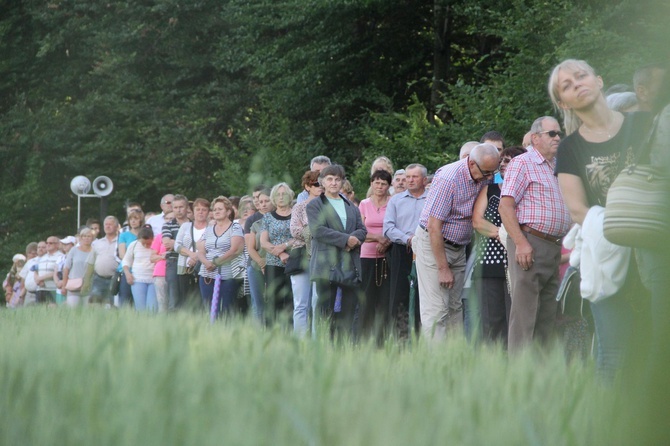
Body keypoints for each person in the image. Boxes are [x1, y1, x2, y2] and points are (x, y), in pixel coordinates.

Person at [550, 59, 651, 378]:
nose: (577, 83)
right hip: (608, 255)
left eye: (581, 76)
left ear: (599, 79)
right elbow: (578, 209)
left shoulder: (646, 124)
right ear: (562, 102)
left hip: (655, 249)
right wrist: (622, 227)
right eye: (567, 85)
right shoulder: (570, 149)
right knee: (614, 356)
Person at [413, 143, 500, 342]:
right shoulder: (448, 179)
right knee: (437, 309)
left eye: (492, 173)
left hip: (458, 246)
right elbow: (434, 226)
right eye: (486, 173)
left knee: (455, 307)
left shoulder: (483, 176)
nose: (489, 178)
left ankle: (454, 360)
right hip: (433, 243)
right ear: (471, 163)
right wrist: (443, 268)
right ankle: (436, 365)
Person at [499, 117, 572, 352]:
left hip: (553, 247)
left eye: (559, 133)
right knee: (525, 314)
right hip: (530, 243)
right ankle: (520, 377)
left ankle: (540, 375)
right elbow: (505, 206)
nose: (558, 138)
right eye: (552, 134)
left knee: (547, 314)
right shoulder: (522, 163)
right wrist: (520, 243)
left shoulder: (557, 165)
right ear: (535, 137)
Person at [471, 146, 526, 345]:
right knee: (491, 322)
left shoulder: (528, 192)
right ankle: (493, 367)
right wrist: (502, 234)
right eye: (501, 161)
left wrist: (511, 237)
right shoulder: (490, 190)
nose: (502, 164)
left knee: (516, 319)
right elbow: (477, 222)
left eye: (508, 160)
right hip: (490, 263)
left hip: (518, 262)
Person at [307, 164, 367, 340]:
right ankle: (324, 347)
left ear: (342, 182)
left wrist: (353, 239)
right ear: (322, 182)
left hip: (349, 264)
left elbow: (362, 230)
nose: (334, 183)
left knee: (349, 309)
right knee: (325, 309)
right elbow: (318, 230)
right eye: (329, 179)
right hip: (326, 265)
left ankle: (344, 346)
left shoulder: (351, 206)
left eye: (337, 179)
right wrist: (346, 240)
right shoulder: (315, 206)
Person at [383, 163, 428, 337]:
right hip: (402, 250)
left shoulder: (431, 198)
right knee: (399, 293)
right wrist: (407, 239)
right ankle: (400, 337)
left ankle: (421, 335)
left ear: (424, 179)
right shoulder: (396, 200)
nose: (409, 180)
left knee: (423, 293)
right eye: (407, 177)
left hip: (426, 249)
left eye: (414, 177)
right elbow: (388, 228)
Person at [358, 169, 393, 341]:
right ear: (371, 183)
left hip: (388, 255)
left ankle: (383, 338)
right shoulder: (364, 204)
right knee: (367, 297)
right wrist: (377, 238)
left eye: (384, 183)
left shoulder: (393, 202)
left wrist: (386, 242)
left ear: (389, 186)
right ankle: (364, 338)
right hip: (367, 256)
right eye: (377, 182)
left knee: (385, 298)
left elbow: (397, 226)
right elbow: (359, 231)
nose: (380, 186)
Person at [197, 197, 245, 318]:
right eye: (215, 209)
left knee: (226, 309)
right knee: (209, 309)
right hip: (206, 274)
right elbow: (200, 249)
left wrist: (216, 263)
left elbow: (234, 250)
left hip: (227, 275)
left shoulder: (235, 227)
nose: (216, 211)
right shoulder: (209, 229)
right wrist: (206, 263)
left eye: (220, 209)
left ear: (228, 211)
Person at [289, 170, 322, 336]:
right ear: (308, 186)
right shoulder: (300, 207)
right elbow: (294, 230)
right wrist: (316, 232)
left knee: (318, 301)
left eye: (322, 183)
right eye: (317, 184)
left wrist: (309, 230)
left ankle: (317, 341)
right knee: (301, 302)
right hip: (301, 256)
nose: (320, 187)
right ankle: (300, 341)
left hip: (322, 256)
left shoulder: (329, 206)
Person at [260, 183, 296, 325]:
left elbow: (302, 236)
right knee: (273, 302)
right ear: (273, 198)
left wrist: (284, 246)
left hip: (294, 263)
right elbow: (263, 241)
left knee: (291, 301)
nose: (281, 197)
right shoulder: (268, 217)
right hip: (273, 264)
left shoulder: (297, 214)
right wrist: (280, 254)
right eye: (278, 195)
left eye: (284, 194)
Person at [175, 198, 210, 311]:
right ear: (193, 211)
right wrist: (191, 254)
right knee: (185, 302)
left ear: (208, 212)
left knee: (202, 302)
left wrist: (198, 258)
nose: (200, 212)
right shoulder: (185, 226)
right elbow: (177, 245)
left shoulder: (211, 228)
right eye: (198, 209)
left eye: (204, 209)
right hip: (184, 269)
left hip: (204, 270)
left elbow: (212, 248)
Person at [245, 188, 273, 324]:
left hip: (276, 265)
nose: (263, 204)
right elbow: (250, 248)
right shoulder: (255, 223)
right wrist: (262, 263)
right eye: (260, 201)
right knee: (259, 304)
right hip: (256, 266)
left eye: (267, 201)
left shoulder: (283, 219)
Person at [83, 216, 120, 306]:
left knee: (112, 305)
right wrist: (86, 281)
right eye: (106, 224)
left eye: (110, 224)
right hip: (98, 279)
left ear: (116, 227)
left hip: (115, 279)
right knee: (95, 304)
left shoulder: (121, 242)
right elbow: (91, 263)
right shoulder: (97, 243)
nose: (107, 226)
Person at [162, 194, 190, 311]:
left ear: (187, 207)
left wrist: (176, 243)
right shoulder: (168, 225)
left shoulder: (193, 225)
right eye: (175, 207)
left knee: (189, 296)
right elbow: (167, 244)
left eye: (181, 207)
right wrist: (188, 244)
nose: (178, 210)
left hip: (190, 262)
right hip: (173, 261)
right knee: (174, 297)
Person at [122, 225, 157, 312]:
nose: (145, 245)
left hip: (154, 279)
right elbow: (126, 261)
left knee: (152, 308)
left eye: (148, 243)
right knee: (140, 308)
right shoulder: (133, 245)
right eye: (143, 243)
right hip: (138, 279)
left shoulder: (157, 243)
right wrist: (127, 273)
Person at [61, 227, 94, 307]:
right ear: (81, 238)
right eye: (84, 236)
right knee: (73, 310)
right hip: (74, 286)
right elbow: (66, 269)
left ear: (92, 238)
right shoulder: (74, 250)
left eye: (89, 236)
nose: (86, 238)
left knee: (87, 311)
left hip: (88, 286)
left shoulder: (95, 251)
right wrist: (64, 286)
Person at [117, 209, 144, 307]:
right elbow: (122, 254)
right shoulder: (124, 235)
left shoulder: (145, 235)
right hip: (127, 270)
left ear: (141, 220)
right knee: (125, 299)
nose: (133, 221)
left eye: (136, 218)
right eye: (131, 219)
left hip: (142, 270)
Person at [33, 236, 64, 304]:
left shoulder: (61, 256)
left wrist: (40, 278)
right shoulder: (42, 257)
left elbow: (57, 272)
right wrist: (37, 281)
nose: (48, 244)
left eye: (51, 243)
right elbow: (35, 270)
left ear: (57, 245)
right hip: (40, 288)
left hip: (52, 289)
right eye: (47, 243)